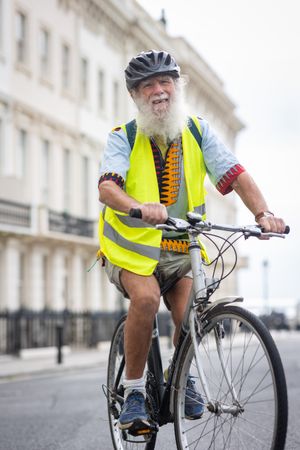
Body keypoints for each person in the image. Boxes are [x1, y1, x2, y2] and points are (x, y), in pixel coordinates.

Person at [98, 50, 286, 432]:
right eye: (148, 85)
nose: (158, 91)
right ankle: (134, 393)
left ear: (177, 87)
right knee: (147, 299)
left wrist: (263, 214)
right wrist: (139, 207)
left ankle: (183, 376)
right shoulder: (124, 137)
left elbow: (236, 175)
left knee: (189, 316)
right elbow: (107, 188)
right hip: (130, 250)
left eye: (165, 82)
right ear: (135, 96)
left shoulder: (197, 131)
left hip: (181, 250)